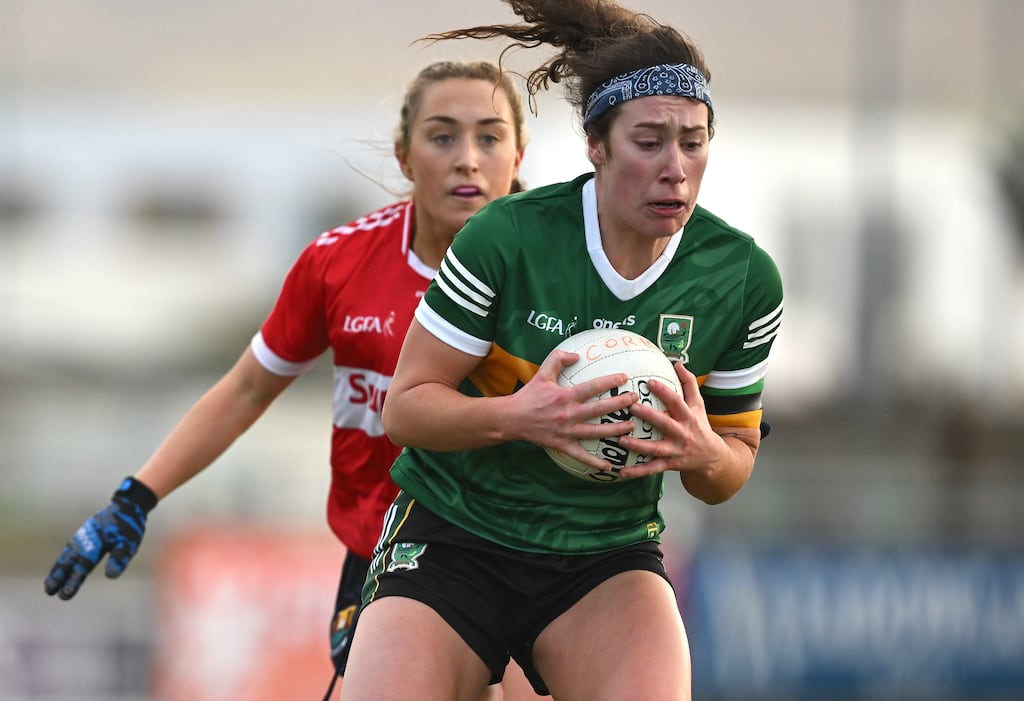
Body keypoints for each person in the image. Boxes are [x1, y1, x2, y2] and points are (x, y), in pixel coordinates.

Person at [43, 59, 544, 700]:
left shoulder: (554, 276)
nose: (467, 158)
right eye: (443, 135)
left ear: (518, 153)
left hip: (522, 549)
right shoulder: (338, 263)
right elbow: (247, 389)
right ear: (404, 154)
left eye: (489, 137)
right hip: (388, 561)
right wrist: (136, 498)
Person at [338, 2, 785, 700]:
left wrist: (703, 451)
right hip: (455, 536)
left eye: (693, 142)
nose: (676, 168)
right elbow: (407, 410)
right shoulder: (506, 238)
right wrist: (523, 416)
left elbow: (728, 466)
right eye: (649, 141)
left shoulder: (743, 279)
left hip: (603, 558)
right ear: (596, 146)